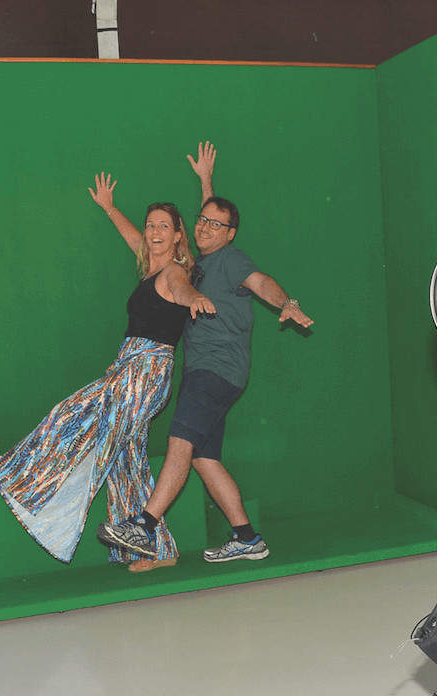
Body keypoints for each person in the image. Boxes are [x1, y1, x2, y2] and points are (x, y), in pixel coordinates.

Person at [0, 191, 215, 573]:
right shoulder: (151, 268)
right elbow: (135, 241)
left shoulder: (174, 273)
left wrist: (195, 298)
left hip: (146, 371)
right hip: (131, 366)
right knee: (125, 458)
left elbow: (183, 289)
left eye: (163, 227)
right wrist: (110, 208)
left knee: (69, 414)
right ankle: (155, 548)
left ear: (177, 235)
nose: (153, 231)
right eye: (150, 224)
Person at [97, 142, 314, 565]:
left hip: (215, 370)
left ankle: (142, 526)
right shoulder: (194, 261)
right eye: (202, 223)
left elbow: (262, 282)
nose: (206, 228)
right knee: (203, 457)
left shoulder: (230, 260)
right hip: (212, 372)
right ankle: (247, 538)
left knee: (180, 440)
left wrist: (287, 304)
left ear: (230, 233)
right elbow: (148, 241)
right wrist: (203, 181)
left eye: (217, 226)